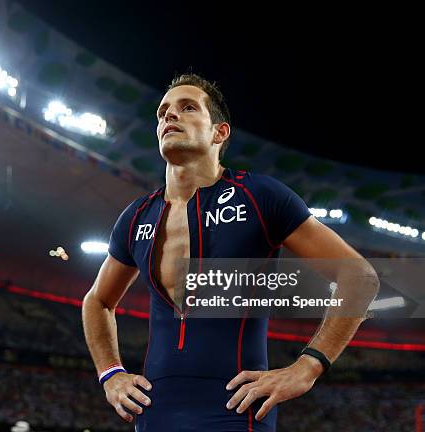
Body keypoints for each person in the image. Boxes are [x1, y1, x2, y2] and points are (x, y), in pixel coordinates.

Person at [82, 73, 379, 431]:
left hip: (237, 414)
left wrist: (308, 366)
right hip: (154, 413)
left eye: (187, 107)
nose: (168, 117)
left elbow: (359, 277)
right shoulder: (135, 217)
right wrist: (110, 373)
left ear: (219, 133)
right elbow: (97, 301)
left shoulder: (261, 196)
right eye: (162, 112)